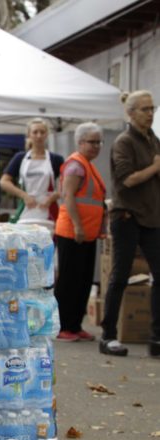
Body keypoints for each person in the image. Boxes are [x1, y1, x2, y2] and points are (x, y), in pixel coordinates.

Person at [100, 91, 160, 357]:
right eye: (145, 109)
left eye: (152, 108)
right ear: (131, 113)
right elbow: (126, 181)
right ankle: (108, 335)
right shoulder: (124, 141)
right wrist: (155, 168)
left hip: (152, 217)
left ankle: (157, 338)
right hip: (126, 217)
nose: (150, 113)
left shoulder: (153, 141)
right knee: (120, 276)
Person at [54, 122, 106, 343]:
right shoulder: (75, 166)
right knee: (69, 280)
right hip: (73, 232)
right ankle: (63, 325)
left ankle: (75, 324)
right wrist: (77, 225)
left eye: (98, 142)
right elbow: (68, 196)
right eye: (92, 142)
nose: (96, 146)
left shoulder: (87, 164)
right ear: (80, 142)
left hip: (87, 233)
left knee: (83, 281)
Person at [0, 118, 64, 226]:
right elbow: (4, 182)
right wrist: (24, 195)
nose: (39, 135)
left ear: (47, 134)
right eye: (35, 132)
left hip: (49, 210)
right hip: (26, 208)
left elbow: (67, 184)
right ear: (29, 134)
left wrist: (52, 198)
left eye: (42, 132)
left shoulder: (56, 159)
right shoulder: (20, 158)